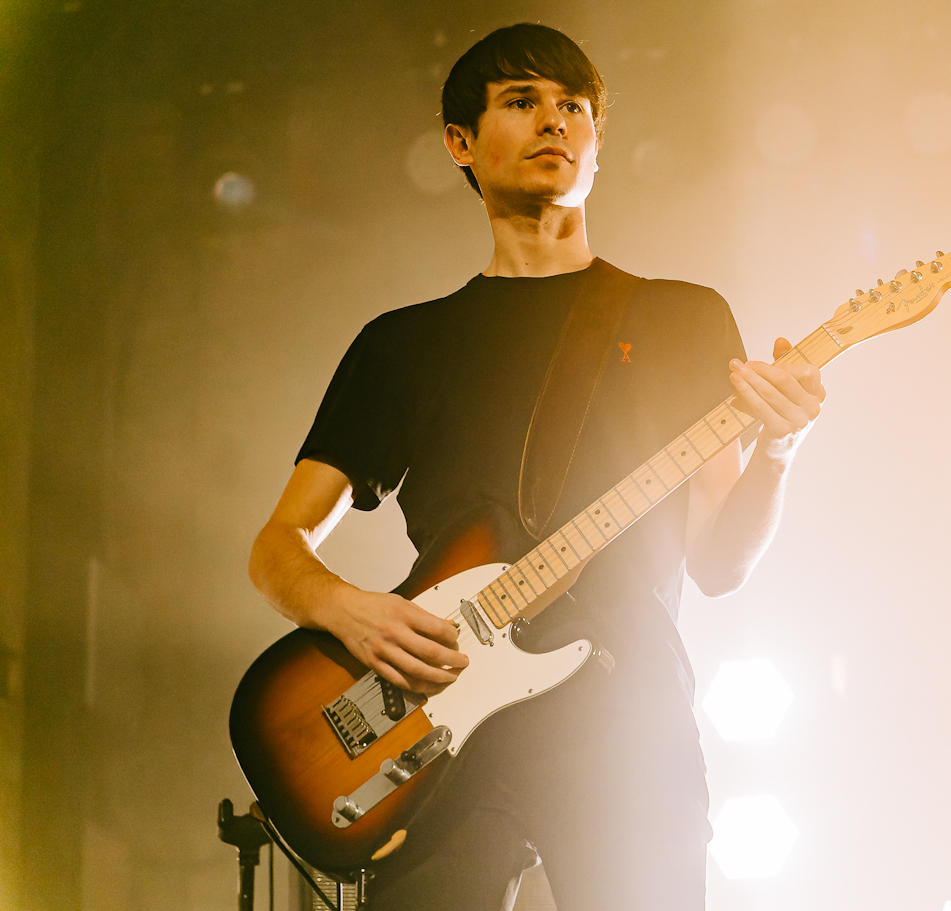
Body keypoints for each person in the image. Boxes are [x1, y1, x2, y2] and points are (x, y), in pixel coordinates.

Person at [248, 23, 824, 911]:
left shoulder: (682, 319)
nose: (556, 121)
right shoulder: (404, 344)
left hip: (628, 731)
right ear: (461, 143)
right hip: (436, 735)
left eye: (575, 108)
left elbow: (721, 566)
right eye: (523, 101)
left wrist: (779, 449)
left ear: (597, 145)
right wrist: (350, 611)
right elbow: (278, 545)